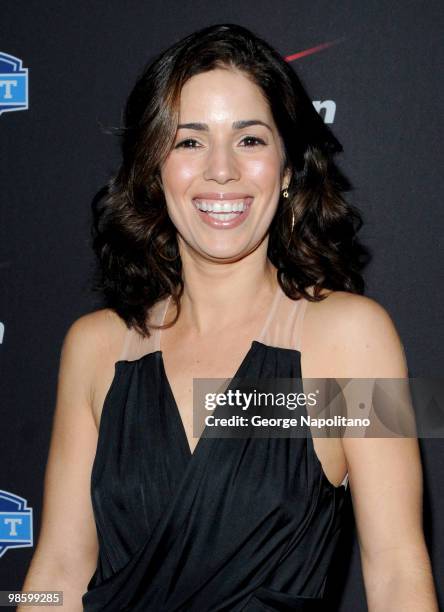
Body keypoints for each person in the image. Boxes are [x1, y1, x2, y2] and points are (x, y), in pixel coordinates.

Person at [20, 23, 438, 612]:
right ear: (153, 168)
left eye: (250, 140)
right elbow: (58, 570)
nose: (222, 170)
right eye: (190, 141)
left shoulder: (353, 338)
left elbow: (397, 569)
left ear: (289, 169)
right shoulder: (94, 347)